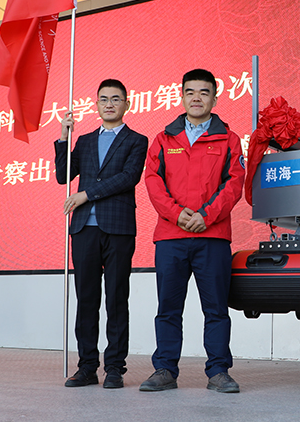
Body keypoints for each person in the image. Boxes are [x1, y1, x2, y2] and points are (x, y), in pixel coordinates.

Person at [140, 68, 245, 394]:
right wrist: (177, 214)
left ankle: (218, 372)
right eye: (190, 92)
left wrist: (206, 216)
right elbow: (153, 182)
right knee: (168, 309)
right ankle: (164, 370)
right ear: (182, 96)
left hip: (212, 237)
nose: (196, 97)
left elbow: (234, 184)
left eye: (204, 92)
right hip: (171, 238)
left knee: (216, 310)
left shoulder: (228, 139)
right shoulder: (163, 139)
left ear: (215, 98)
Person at [54, 78, 149, 389]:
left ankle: (115, 368)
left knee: (116, 298)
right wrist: (64, 137)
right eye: (104, 99)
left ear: (127, 104)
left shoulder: (137, 140)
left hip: (118, 228)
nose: (109, 104)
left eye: (116, 99)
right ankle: (87, 367)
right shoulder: (83, 141)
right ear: (96, 104)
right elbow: (63, 176)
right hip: (84, 229)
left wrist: (87, 195)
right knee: (87, 300)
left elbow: (128, 177)